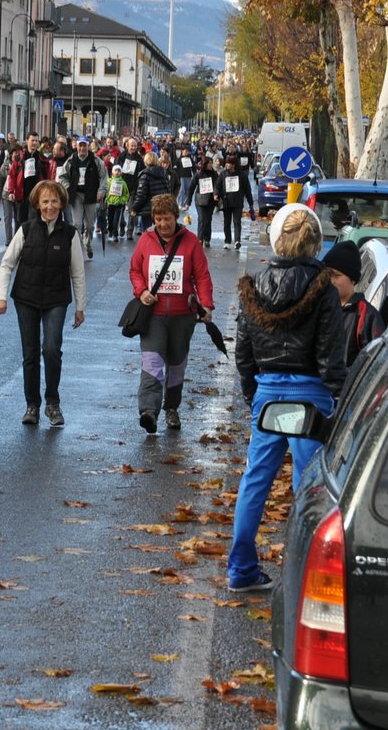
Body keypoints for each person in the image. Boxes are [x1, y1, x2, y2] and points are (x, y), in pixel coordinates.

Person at [228, 203, 346, 591]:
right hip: (311, 396)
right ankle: (304, 573)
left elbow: (243, 353)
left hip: (268, 392)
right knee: (310, 487)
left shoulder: (253, 286)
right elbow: (332, 355)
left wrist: (254, 396)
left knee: (255, 480)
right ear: (316, 243)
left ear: (277, 238)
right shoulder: (324, 291)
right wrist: (335, 400)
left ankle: (241, 569)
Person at [0, 180, 86, 427]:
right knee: (30, 353)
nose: (50, 206)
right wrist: (1, 297)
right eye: (45, 201)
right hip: (26, 298)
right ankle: (32, 405)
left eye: (54, 201)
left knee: (52, 349)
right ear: (37, 204)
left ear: (61, 204)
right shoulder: (25, 229)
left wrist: (80, 306)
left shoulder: (70, 234)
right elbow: (7, 264)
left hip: (56, 299)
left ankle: (52, 403)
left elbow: (77, 272)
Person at [128, 194, 213, 434]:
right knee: (152, 362)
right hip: (153, 315)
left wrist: (206, 305)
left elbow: (202, 276)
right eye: (158, 219)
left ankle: (172, 408)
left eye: (167, 219)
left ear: (176, 217)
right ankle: (149, 411)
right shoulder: (145, 240)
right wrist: (141, 290)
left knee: (176, 365)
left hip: (183, 315)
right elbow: (135, 270)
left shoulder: (191, 242)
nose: (163, 224)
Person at [59, 137, 106, 259]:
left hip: (91, 194)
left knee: (90, 225)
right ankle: (78, 249)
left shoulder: (95, 160)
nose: (82, 148)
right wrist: (68, 187)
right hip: (76, 195)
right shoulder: (71, 160)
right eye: (80, 146)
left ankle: (88, 243)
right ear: (77, 146)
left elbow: (103, 176)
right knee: (77, 224)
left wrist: (101, 191)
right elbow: (62, 176)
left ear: (88, 146)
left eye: (84, 146)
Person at [214, 152, 249, 249]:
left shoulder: (241, 175)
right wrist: (216, 194)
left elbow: (247, 189)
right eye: (226, 163)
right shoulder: (223, 174)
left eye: (228, 163)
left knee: (237, 222)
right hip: (226, 202)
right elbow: (217, 185)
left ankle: (237, 241)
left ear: (233, 165)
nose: (226, 165)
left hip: (238, 203)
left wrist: (250, 203)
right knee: (227, 222)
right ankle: (227, 241)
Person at [131, 152, 170, 234]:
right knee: (160, 232)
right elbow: (168, 190)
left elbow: (141, 195)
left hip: (148, 209)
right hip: (161, 207)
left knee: (147, 234)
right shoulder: (164, 173)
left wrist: (134, 208)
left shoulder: (144, 175)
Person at [188, 153, 219, 243]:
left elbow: (218, 186)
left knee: (208, 219)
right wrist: (188, 202)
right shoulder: (198, 174)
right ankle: (200, 239)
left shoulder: (215, 174)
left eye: (211, 163)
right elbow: (191, 188)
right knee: (201, 218)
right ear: (205, 164)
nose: (210, 165)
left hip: (210, 201)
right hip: (200, 200)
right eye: (208, 163)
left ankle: (207, 238)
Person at [102, 158, 130, 243]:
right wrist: (105, 198)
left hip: (119, 204)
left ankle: (115, 235)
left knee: (116, 220)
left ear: (121, 172)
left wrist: (122, 200)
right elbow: (105, 190)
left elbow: (126, 194)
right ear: (112, 172)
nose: (117, 172)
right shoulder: (109, 181)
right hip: (110, 203)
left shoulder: (123, 182)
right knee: (110, 219)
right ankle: (110, 230)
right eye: (115, 170)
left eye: (119, 171)